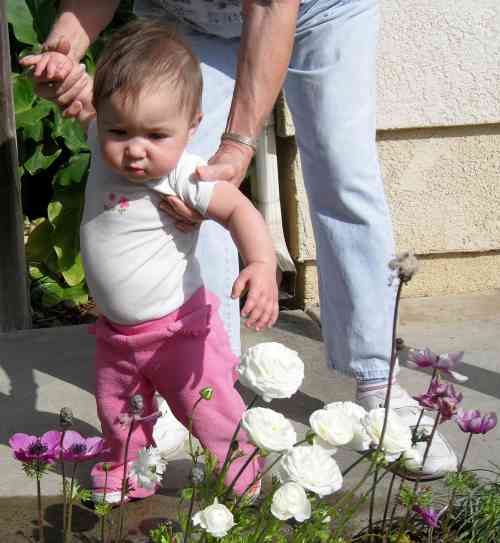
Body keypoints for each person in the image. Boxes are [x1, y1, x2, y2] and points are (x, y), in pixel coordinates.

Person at [21, 0, 457, 478]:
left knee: (342, 171)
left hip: (317, 8)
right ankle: (201, 386)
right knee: (181, 184)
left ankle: (378, 381)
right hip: (186, 17)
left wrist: (239, 144)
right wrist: (63, 51)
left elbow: (270, 7)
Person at [26, 19, 277, 502]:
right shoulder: (106, 145)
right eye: (119, 130)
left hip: (177, 332)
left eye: (157, 135)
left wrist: (261, 263)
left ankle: (242, 476)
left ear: (192, 127)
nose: (135, 151)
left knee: (209, 411)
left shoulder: (185, 173)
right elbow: (77, 95)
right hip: (117, 335)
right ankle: (127, 470)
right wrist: (58, 68)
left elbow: (238, 209)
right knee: (117, 412)